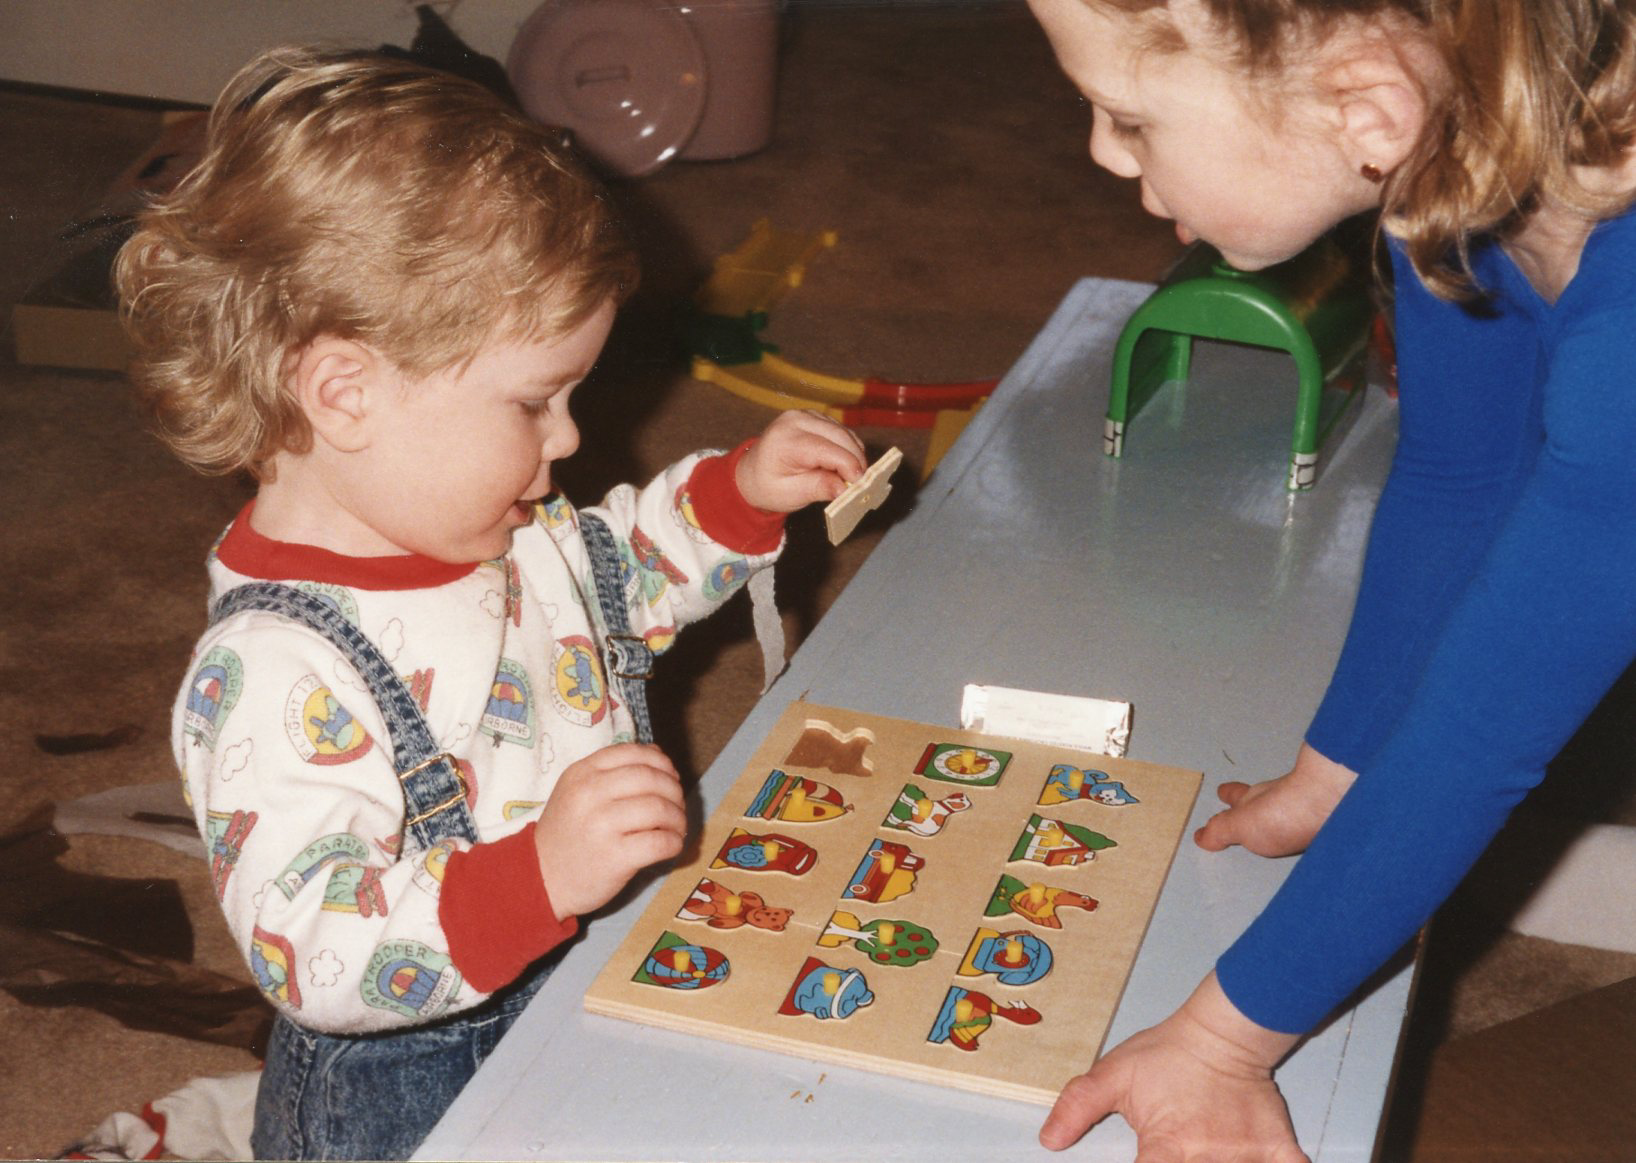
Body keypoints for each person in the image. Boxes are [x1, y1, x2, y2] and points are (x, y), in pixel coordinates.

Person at [114, 46, 866, 1161]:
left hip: (567, 990)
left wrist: (736, 494)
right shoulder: (272, 671)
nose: (567, 438)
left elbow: (622, 568)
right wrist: (540, 875)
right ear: (346, 393)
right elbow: (314, 947)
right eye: (533, 400)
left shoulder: (507, 530)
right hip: (404, 1093)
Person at [1024, 0, 1636, 1158]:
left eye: (1126, 115)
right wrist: (1336, 764)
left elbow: (1480, 734)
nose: (1105, 152)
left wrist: (1218, 1043)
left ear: (1363, 108)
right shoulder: (1452, 159)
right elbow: (1461, 477)